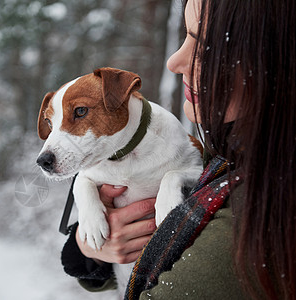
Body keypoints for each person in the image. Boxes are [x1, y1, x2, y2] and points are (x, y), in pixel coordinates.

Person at [61, 0, 296, 299]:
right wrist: (91, 247)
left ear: (276, 61)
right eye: (186, 35)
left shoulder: (247, 221)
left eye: (206, 47)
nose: (174, 61)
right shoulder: (228, 156)